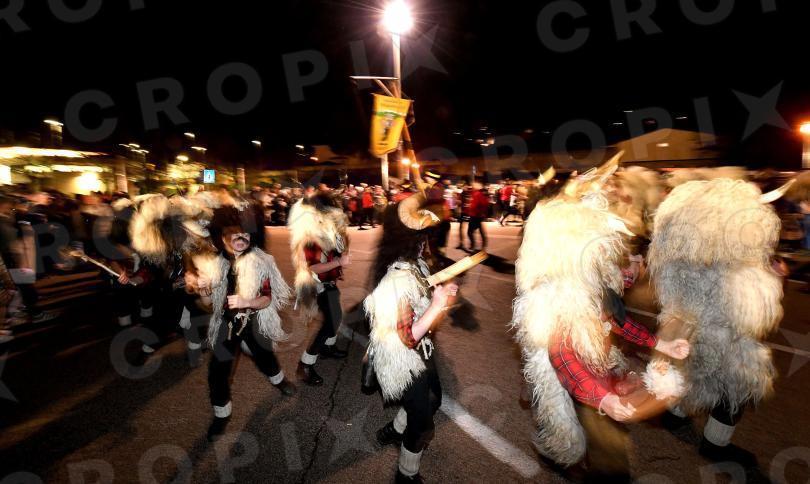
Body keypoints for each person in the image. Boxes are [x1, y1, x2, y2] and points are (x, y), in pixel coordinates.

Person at [513, 176, 690, 480]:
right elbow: (562, 355)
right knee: (598, 452)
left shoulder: (591, 274)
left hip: (596, 367)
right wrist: (603, 399)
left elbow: (613, 321)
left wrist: (661, 344)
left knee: (609, 454)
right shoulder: (558, 291)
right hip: (578, 380)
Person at [647, 179, 790, 470]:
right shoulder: (739, 265)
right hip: (725, 339)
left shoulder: (676, 256)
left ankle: (674, 415)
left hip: (684, 329)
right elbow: (756, 315)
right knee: (738, 383)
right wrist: (776, 278)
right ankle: (715, 444)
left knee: (688, 370)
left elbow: (666, 294)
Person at [366, 192, 457, 483]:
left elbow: (422, 309)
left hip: (421, 351)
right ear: (409, 240)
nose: (425, 244)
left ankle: (394, 430)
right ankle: (406, 475)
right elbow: (407, 337)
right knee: (422, 424)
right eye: (421, 239)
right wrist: (437, 305)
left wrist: (440, 295)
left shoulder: (416, 267)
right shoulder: (398, 279)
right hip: (404, 359)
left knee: (433, 399)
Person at [196, 206, 296, 441]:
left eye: (245, 235)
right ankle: (221, 413)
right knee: (217, 370)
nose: (241, 239)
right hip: (226, 324)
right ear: (223, 238)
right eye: (234, 235)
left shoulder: (262, 261)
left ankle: (279, 380)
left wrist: (247, 302)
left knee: (264, 356)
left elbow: (267, 298)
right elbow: (208, 303)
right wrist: (203, 289)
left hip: (253, 321)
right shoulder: (215, 263)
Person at [288, 192, 351, 385]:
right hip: (317, 286)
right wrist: (339, 262)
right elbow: (313, 268)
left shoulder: (328, 231)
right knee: (331, 322)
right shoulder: (311, 237)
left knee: (335, 318)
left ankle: (327, 348)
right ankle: (305, 365)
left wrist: (342, 245)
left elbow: (338, 249)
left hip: (329, 283)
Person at [466, 181, 489, 252]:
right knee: (480, 231)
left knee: (470, 232)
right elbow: (485, 203)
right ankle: (482, 246)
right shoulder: (477, 194)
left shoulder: (477, 194)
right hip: (477, 215)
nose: (471, 188)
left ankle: (473, 246)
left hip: (475, 215)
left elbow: (483, 204)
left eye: (472, 187)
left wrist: (475, 210)